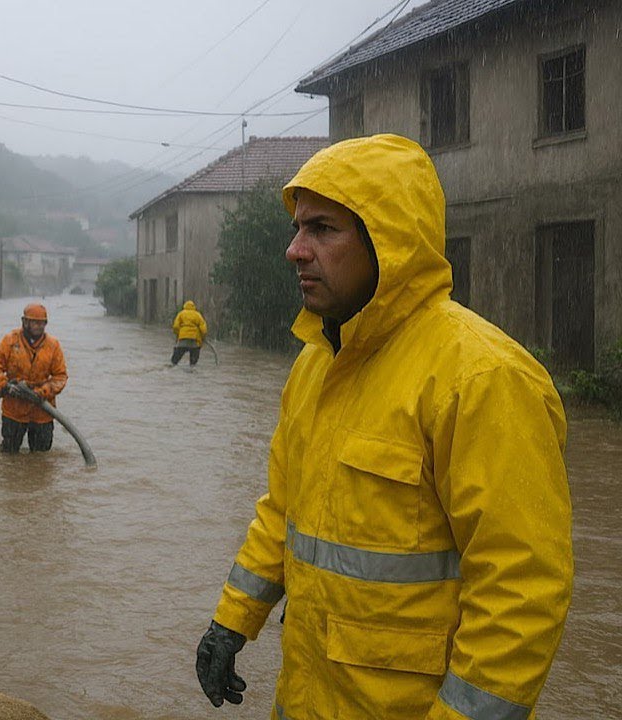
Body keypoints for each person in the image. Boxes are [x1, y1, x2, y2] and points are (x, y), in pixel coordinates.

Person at [195, 134, 572, 719]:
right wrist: (232, 619)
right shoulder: (316, 361)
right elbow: (283, 511)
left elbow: (520, 593)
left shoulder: (481, 377)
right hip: (308, 698)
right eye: (297, 229)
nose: (295, 250)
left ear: (388, 241)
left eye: (322, 229)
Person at [0, 303, 68, 453]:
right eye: (35, 322)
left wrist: (42, 392)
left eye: (42, 323)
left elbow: (60, 377)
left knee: (40, 460)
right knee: (9, 456)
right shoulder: (10, 341)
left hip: (42, 411)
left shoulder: (53, 345)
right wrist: (5, 386)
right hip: (14, 409)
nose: (39, 326)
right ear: (24, 322)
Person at [171, 300, 208, 366]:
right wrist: (203, 337)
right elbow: (203, 329)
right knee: (193, 364)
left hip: (182, 340)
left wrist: (178, 334)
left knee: (174, 361)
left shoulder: (181, 314)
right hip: (194, 341)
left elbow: (176, 326)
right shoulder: (198, 315)